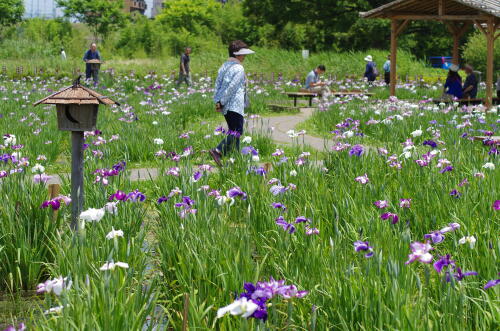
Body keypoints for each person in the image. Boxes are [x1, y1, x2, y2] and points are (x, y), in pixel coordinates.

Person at [209, 41, 255, 166]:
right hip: (234, 105)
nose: (244, 57)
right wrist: (222, 101)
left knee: (234, 132)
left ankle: (235, 160)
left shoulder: (224, 66)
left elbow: (217, 85)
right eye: (243, 55)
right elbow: (232, 87)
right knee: (237, 131)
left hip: (224, 105)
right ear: (237, 55)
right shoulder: (239, 68)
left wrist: (218, 101)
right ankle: (218, 150)